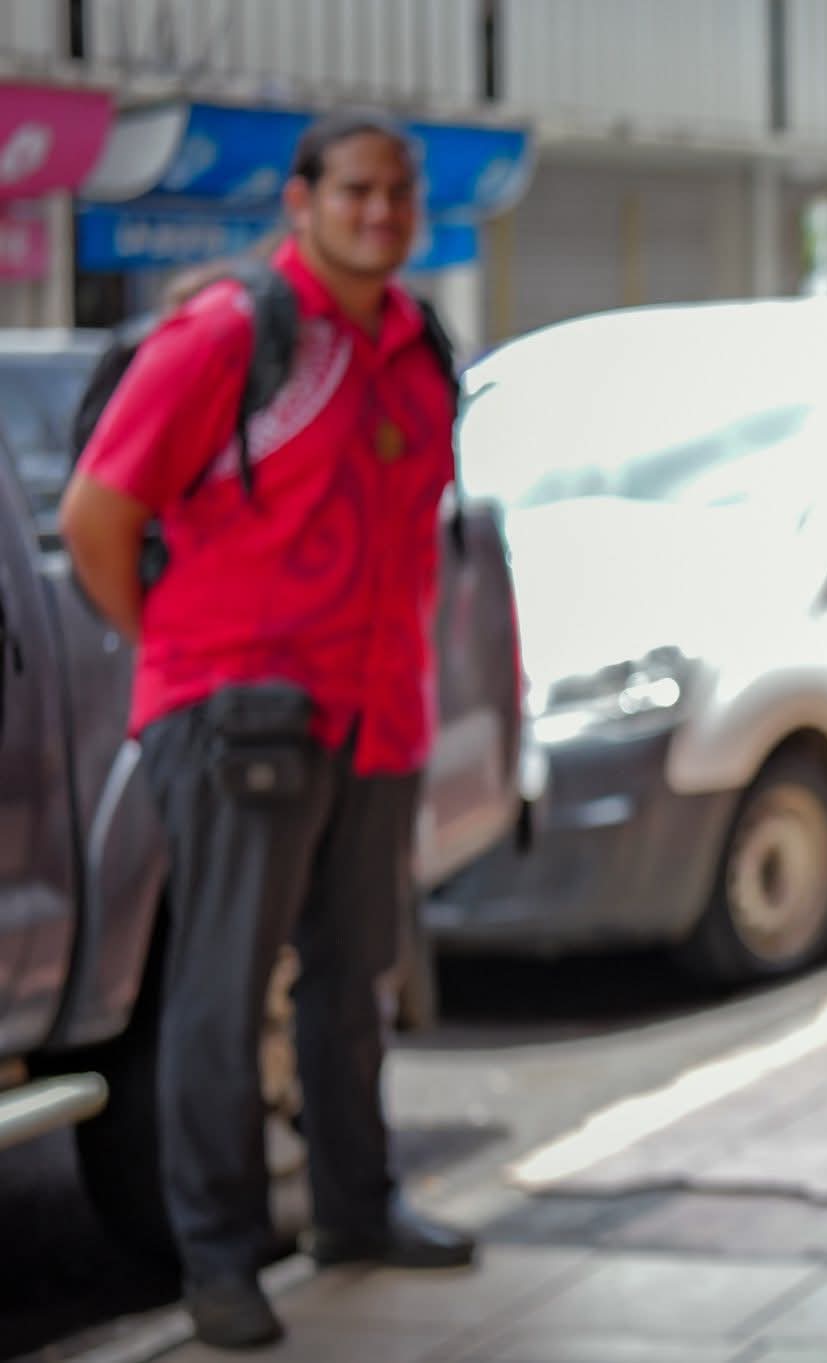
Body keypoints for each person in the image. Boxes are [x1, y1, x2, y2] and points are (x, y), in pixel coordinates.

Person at [58, 112, 475, 1350]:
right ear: (300, 199)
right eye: (356, 189)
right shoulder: (232, 333)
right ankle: (222, 1256)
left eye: (399, 193)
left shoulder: (413, 339)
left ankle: (356, 1208)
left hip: (378, 711)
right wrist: (183, 648)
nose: (381, 213)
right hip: (242, 707)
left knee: (354, 985)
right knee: (219, 995)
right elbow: (97, 511)